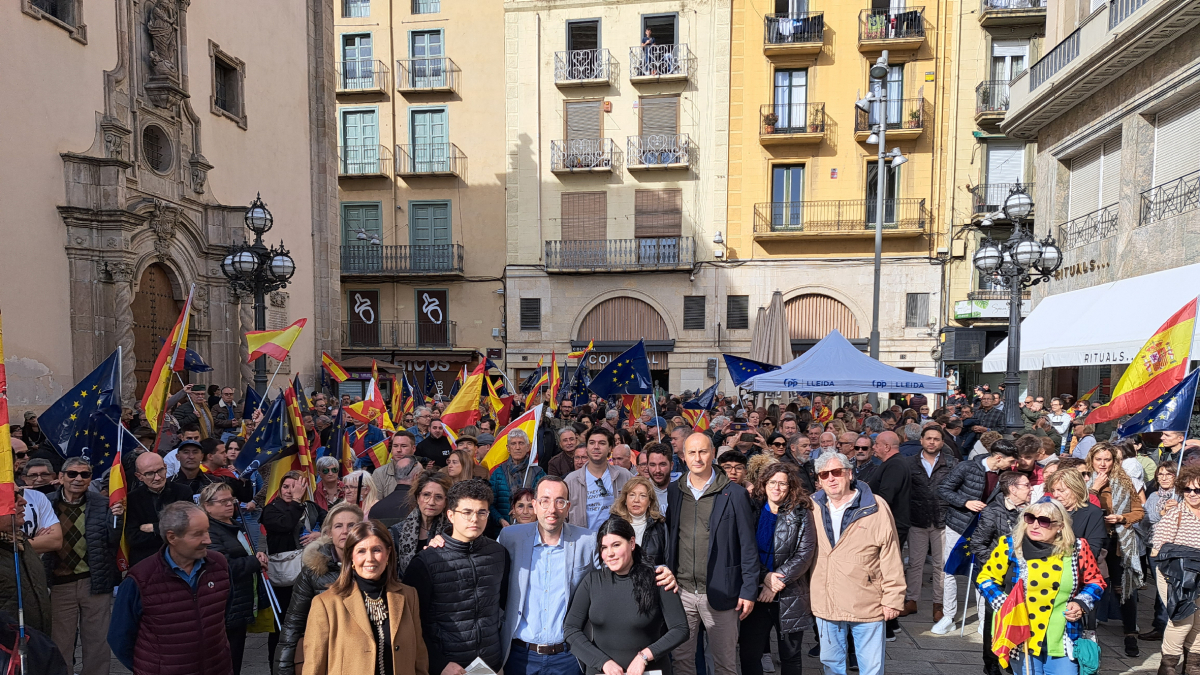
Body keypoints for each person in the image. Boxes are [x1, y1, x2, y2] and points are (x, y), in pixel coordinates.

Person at [976, 500, 1106, 675]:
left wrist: (1081, 603)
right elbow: (986, 578)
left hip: (1063, 635)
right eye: (1030, 518)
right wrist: (1005, 604)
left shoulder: (1078, 548)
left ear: (1060, 526)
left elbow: (1096, 581)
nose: (1035, 525)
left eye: (1044, 521)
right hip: (1020, 632)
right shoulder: (1010, 545)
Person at [666, 432, 759, 675]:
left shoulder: (734, 494)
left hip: (722, 592)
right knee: (682, 662)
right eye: (692, 452)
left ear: (713, 454)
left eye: (703, 451)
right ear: (683, 457)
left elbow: (748, 546)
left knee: (725, 665)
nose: (697, 458)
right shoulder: (675, 491)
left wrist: (748, 590)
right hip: (683, 592)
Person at [108, 501, 233, 674]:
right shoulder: (140, 578)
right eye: (198, 534)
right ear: (172, 537)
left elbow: (222, 614)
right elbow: (119, 637)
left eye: (207, 531)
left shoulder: (219, 565)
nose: (208, 540)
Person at [809, 451, 904, 675]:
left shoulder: (876, 506)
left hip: (866, 600)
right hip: (826, 600)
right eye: (824, 474)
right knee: (831, 664)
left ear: (849, 474)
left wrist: (893, 598)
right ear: (819, 480)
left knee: (871, 667)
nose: (831, 478)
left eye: (836, 472)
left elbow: (890, 554)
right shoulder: (811, 506)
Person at [403, 479, 510, 675]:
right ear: (451, 515)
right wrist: (438, 663)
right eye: (467, 512)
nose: (474, 519)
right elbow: (411, 621)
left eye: (481, 512)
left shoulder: (499, 554)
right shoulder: (426, 562)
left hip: (491, 665)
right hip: (448, 668)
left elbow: (503, 606)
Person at [495, 476, 596, 675]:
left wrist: (656, 572)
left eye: (560, 501)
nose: (552, 509)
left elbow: (619, 568)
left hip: (568, 657)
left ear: (568, 507)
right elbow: (484, 564)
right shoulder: (510, 538)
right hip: (520, 656)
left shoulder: (587, 540)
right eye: (545, 500)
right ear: (535, 505)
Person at [564, 517, 689, 675]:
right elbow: (571, 629)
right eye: (604, 547)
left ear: (631, 543)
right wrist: (602, 662)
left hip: (650, 671)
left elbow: (680, 629)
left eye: (616, 545)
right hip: (601, 672)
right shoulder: (592, 581)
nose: (610, 553)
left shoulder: (659, 579)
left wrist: (644, 656)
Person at [303, 520, 428, 675]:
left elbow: (419, 658)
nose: (370, 558)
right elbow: (314, 666)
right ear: (351, 557)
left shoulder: (408, 596)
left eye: (376, 550)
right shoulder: (327, 604)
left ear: (388, 554)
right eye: (361, 551)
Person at [44, 457, 122, 675]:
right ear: (61, 477)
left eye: (85, 474)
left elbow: (113, 540)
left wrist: (118, 519)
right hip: (59, 585)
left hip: (94, 581)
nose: (78, 478)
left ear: (90, 479)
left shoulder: (103, 503)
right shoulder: (46, 502)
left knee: (98, 642)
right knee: (61, 643)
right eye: (72, 474)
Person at [934, 439, 1019, 634]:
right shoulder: (966, 467)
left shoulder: (1004, 476)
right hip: (959, 525)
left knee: (983, 571)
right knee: (950, 570)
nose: (1012, 465)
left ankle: (983, 619)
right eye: (1010, 461)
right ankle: (948, 615)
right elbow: (944, 489)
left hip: (986, 529)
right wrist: (966, 502)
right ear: (998, 458)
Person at [738, 463, 816, 675]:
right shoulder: (752, 508)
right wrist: (765, 577)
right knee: (749, 654)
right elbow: (745, 548)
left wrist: (775, 583)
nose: (777, 488)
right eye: (773, 482)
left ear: (791, 486)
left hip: (790, 593)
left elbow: (805, 552)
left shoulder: (801, 512)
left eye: (783, 483)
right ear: (764, 484)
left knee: (790, 656)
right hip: (755, 591)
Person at [276, 502, 364, 675]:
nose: (345, 531)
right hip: (328, 658)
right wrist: (283, 668)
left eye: (352, 525)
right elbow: (293, 623)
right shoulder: (313, 572)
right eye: (338, 526)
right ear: (329, 532)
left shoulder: (374, 568)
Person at [1086, 442, 1145, 656]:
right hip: (1093, 541)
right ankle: (1088, 632)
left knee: (1125, 588)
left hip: (1119, 541)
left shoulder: (1124, 480)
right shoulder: (1083, 478)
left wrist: (1121, 517)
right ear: (1091, 460)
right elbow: (1078, 507)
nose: (1103, 464)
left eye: (1107, 460)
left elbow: (1139, 511)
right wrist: (1094, 488)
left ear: (1114, 461)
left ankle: (1131, 633)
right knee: (1090, 585)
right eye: (1099, 459)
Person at [968, 471, 1030, 675]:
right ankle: (991, 662)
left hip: (1023, 577)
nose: (1030, 489)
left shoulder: (1030, 511)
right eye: (1026, 485)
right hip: (998, 578)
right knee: (994, 620)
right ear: (1013, 489)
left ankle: (1013, 660)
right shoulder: (992, 512)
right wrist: (1000, 565)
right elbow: (977, 544)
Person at [201, 482, 267, 675]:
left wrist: (257, 556)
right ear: (207, 506)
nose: (230, 504)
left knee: (235, 656)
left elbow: (246, 553)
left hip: (240, 600)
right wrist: (254, 562)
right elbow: (224, 566)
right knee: (225, 659)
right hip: (226, 603)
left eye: (231, 500)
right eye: (223, 501)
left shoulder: (234, 524)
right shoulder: (209, 531)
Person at [261, 471, 325, 665]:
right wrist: (296, 501)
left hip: (309, 572)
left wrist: (320, 534)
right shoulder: (271, 510)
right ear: (279, 489)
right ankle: (278, 664)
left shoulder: (310, 507)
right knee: (284, 623)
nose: (290, 491)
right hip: (285, 577)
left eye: (295, 486)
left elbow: (331, 522)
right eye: (286, 487)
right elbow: (286, 525)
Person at [902, 425, 957, 622]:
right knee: (915, 563)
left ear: (942, 442)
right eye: (928, 438)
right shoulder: (909, 463)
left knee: (940, 565)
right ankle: (911, 600)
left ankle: (938, 603)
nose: (932, 442)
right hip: (917, 518)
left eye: (936, 439)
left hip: (942, 519)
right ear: (921, 440)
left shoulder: (951, 463)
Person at [1149, 464, 1200, 674]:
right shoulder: (1175, 514)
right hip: (1175, 574)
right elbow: (1156, 551)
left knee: (1198, 623)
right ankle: (1168, 667)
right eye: (1187, 490)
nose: (1192, 494)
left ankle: (1193, 667)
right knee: (1182, 619)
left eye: (1197, 490)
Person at [0, 488, 53, 635]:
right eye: (13, 499)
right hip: (8, 651)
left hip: (34, 645)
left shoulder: (20, 541)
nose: (23, 502)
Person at [127, 451, 193, 565]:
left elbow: (187, 528)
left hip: (180, 560)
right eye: (149, 473)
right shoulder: (132, 499)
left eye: (160, 470)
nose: (157, 477)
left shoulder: (183, 492)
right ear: (139, 476)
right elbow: (133, 538)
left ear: (166, 467)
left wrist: (155, 528)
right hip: (146, 562)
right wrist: (171, 533)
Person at [566, 427, 634, 531]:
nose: (596, 447)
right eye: (592, 443)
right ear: (587, 447)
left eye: (602, 443)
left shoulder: (624, 476)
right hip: (582, 541)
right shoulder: (571, 481)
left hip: (616, 540)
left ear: (610, 448)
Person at [1140, 461, 1178, 643]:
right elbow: (1145, 520)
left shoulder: (1182, 495)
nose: (1163, 478)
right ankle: (1160, 624)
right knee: (1160, 588)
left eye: (1168, 474)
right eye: (1160, 474)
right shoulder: (1154, 496)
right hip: (1154, 546)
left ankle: (1171, 624)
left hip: (1175, 547)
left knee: (1171, 587)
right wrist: (1161, 513)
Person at [387, 471, 451, 578]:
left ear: (446, 502)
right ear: (418, 498)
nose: (431, 502)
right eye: (426, 495)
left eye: (438, 497)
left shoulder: (451, 532)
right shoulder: (396, 532)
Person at [490, 428, 544, 527]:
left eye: (521, 443)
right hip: (504, 529)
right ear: (508, 448)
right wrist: (500, 520)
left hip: (532, 528)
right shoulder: (498, 473)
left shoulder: (538, 473)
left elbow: (544, 501)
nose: (517, 447)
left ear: (528, 447)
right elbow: (490, 504)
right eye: (513, 444)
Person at [611, 475, 667, 566]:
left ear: (649, 502)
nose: (636, 500)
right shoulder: (613, 524)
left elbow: (667, 559)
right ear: (625, 499)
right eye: (632, 495)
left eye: (642, 496)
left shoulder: (660, 525)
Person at [373, 431, 423, 501]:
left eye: (403, 446)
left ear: (413, 448)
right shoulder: (379, 474)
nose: (398, 450)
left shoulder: (423, 473)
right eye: (395, 446)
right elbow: (376, 503)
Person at [644, 443, 673, 514]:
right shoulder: (642, 491)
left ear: (671, 465)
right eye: (653, 465)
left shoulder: (681, 490)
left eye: (662, 464)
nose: (657, 470)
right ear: (647, 466)